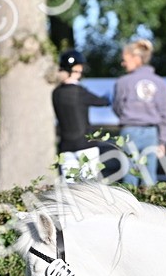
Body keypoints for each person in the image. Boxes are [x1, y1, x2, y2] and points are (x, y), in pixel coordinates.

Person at [112, 39, 166, 186]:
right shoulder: (161, 83)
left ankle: (128, 208)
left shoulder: (123, 82)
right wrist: (163, 141)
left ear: (136, 58)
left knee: (129, 176)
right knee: (149, 177)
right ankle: (150, 206)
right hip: (152, 133)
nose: (123, 64)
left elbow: (117, 107)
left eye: (125, 60)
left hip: (129, 132)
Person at [51, 49, 119, 179]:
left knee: (70, 189)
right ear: (77, 69)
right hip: (85, 145)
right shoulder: (79, 91)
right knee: (89, 188)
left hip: (65, 146)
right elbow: (102, 101)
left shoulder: (56, 93)